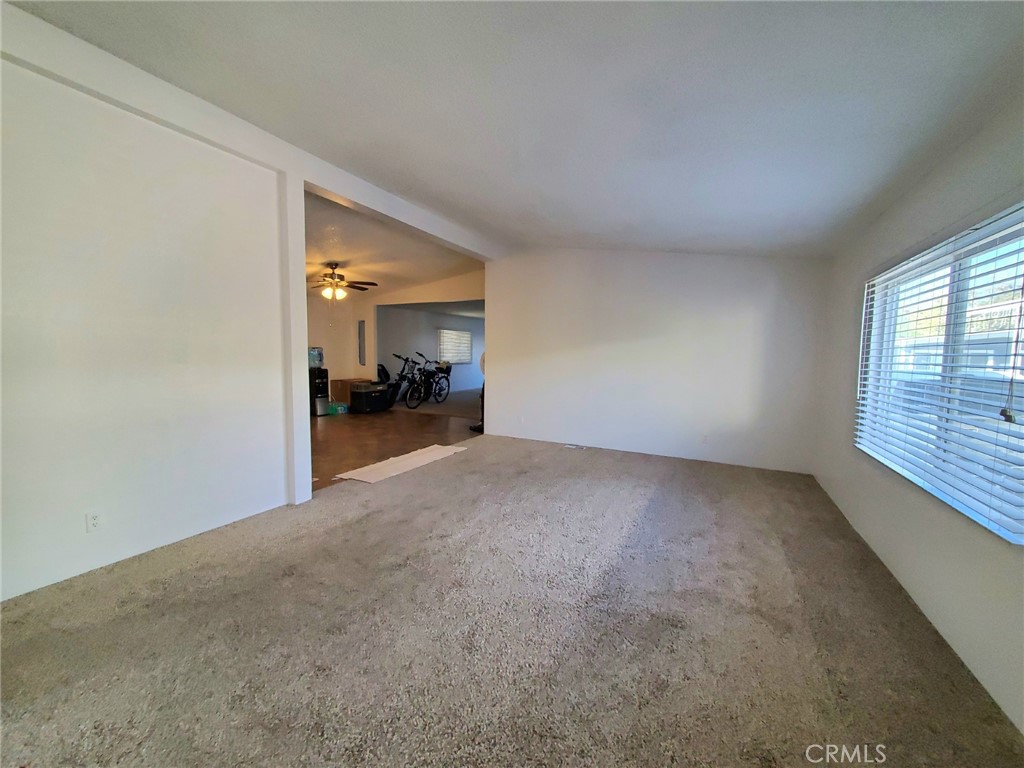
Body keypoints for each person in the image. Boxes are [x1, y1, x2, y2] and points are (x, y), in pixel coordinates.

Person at [469, 352, 485, 433]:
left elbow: (482, 366)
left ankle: (483, 423)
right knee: (484, 399)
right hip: (490, 377)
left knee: (484, 400)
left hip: (489, 377)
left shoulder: (487, 352)